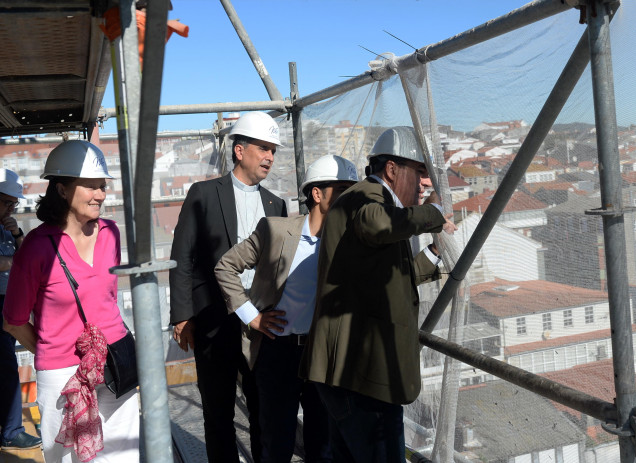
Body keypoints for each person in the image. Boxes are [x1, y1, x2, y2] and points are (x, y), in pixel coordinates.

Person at [300, 126, 456, 462]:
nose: (424, 184)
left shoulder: (378, 204)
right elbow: (378, 224)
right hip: (363, 377)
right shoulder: (366, 197)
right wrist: (434, 214)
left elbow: (389, 278)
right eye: (420, 173)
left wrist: (434, 251)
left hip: (353, 375)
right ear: (392, 170)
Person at [2, 140, 139, 462]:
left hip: (116, 360)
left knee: (124, 456)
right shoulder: (36, 247)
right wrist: (54, 351)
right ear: (62, 190)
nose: (100, 195)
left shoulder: (110, 232)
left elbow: (105, 298)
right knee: (68, 458)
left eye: (102, 186)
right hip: (63, 374)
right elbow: (14, 321)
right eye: (90, 186)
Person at [215, 155, 358, 463]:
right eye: (342, 190)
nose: (351, 199)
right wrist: (252, 316)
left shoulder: (350, 242)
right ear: (317, 194)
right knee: (276, 443)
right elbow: (225, 267)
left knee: (323, 445)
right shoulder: (275, 231)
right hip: (277, 352)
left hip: (322, 356)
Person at [169, 111, 288, 462]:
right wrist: (182, 316)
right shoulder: (204, 194)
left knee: (263, 408)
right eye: (263, 148)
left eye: (273, 150)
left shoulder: (276, 204)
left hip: (262, 322)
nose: (270, 157)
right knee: (218, 411)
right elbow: (183, 257)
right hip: (212, 319)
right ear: (240, 151)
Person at [0, 169, 42, 452]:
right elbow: (14, 262)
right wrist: (17, 260)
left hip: (6, 302)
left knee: (5, 367)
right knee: (5, 368)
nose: (10, 208)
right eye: (7, 202)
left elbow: (24, 253)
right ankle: (12, 431)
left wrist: (16, 231)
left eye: (13, 204)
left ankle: (12, 429)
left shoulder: (5, 227)